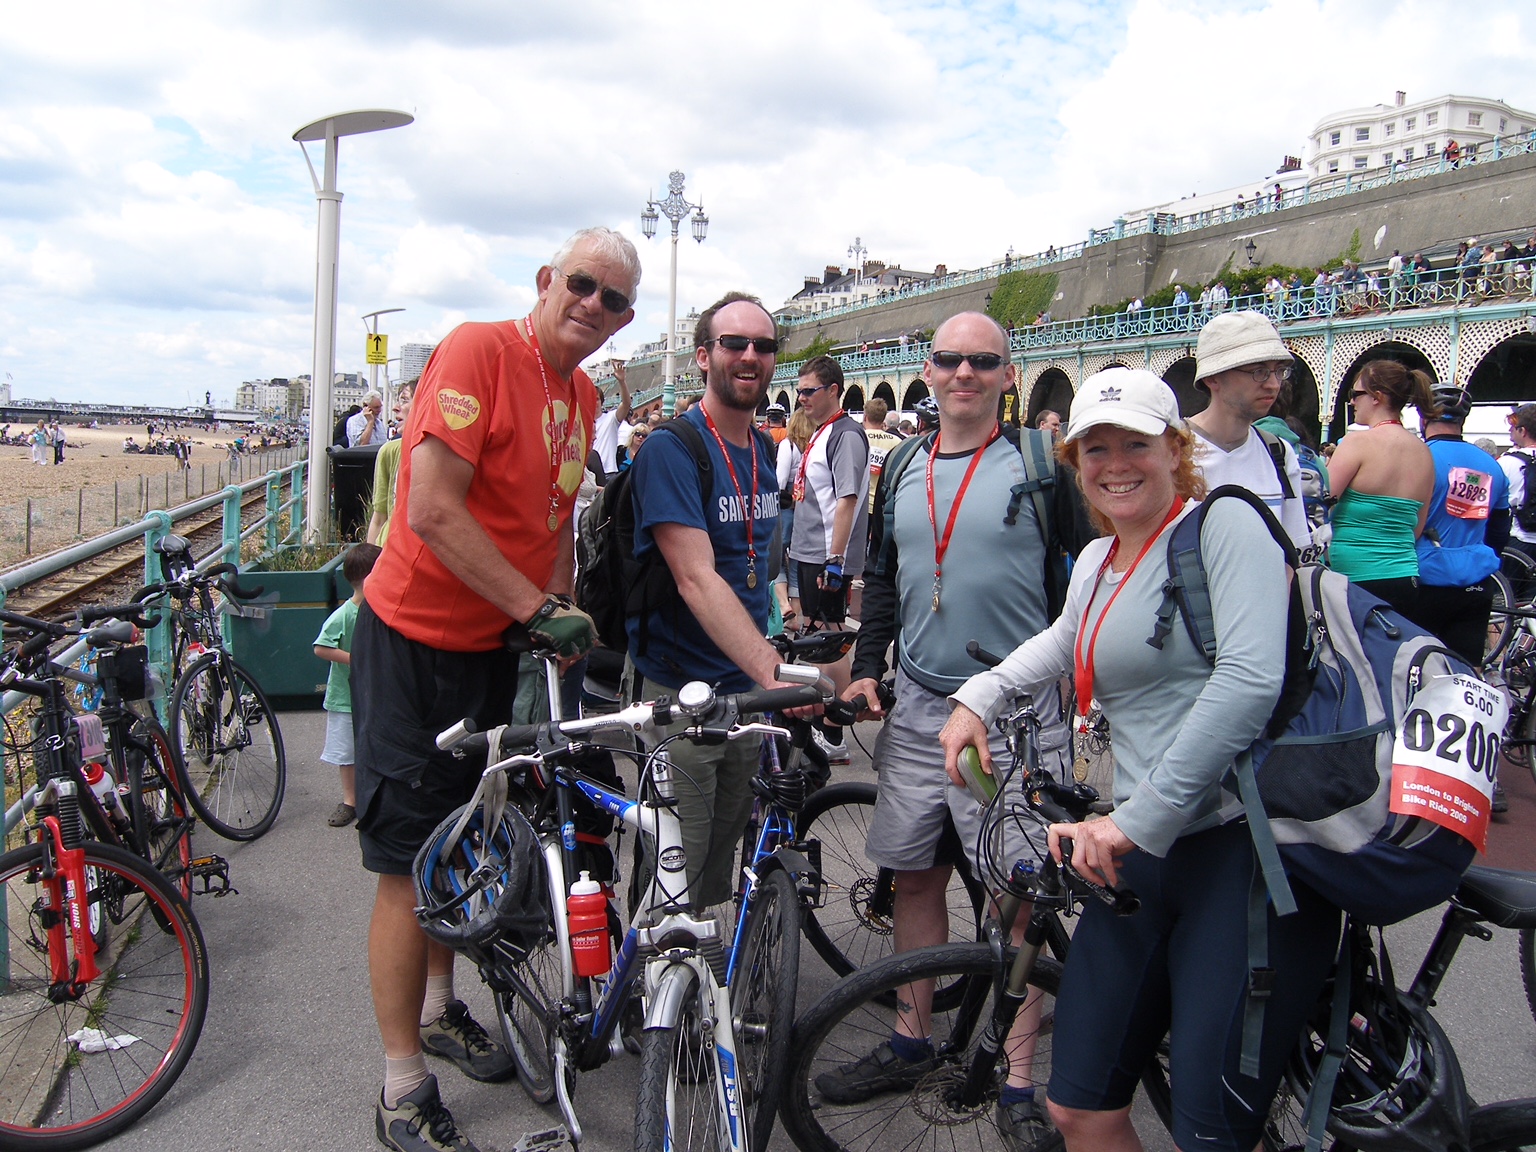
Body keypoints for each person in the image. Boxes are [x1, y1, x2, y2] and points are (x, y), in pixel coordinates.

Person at [940, 367, 1340, 1152]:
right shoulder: (1099, 559)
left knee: (1210, 1129)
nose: (1115, 464)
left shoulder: (1223, 527)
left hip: (1239, 853)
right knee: (1078, 1103)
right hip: (1137, 850)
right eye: (1096, 448)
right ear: (1075, 460)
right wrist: (975, 697)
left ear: (1175, 450)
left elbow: (1250, 679)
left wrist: (1136, 821)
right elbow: (1062, 642)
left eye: (1136, 445)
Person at [352, 225, 637, 1152]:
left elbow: (553, 520)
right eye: (585, 286)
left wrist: (550, 609)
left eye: (617, 302)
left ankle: (440, 1006)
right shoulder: (481, 348)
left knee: (465, 846)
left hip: (489, 647)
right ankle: (401, 1087)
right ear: (549, 279)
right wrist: (535, 606)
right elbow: (430, 507)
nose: (595, 308)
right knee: (405, 865)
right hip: (411, 641)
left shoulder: (583, 392)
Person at [826, 313, 1085, 1149]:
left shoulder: (1042, 468)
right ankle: (911, 1035)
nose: (963, 373)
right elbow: (888, 582)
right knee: (913, 876)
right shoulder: (901, 465)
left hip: (1013, 714)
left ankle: (1015, 1080)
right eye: (948, 360)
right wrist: (869, 665)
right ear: (926, 372)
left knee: (1017, 900)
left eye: (983, 361)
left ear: (1010, 376)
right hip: (920, 706)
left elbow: (1087, 583)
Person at [626, 290, 806, 910]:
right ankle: (652, 998)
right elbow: (697, 578)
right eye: (734, 343)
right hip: (684, 694)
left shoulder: (761, 452)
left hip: (744, 695)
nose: (750, 355)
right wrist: (776, 674)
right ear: (704, 356)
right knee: (676, 868)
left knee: (720, 860)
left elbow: (755, 566)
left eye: (763, 345)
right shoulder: (672, 449)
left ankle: (703, 993)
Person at [789, 353, 870, 757]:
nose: (801, 397)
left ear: (832, 390)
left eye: (809, 390)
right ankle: (824, 720)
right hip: (809, 551)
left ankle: (834, 732)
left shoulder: (846, 434)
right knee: (817, 633)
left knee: (831, 635)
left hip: (825, 554)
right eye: (799, 390)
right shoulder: (822, 432)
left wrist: (835, 561)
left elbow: (847, 499)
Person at [1188, 311, 1311, 550]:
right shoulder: (1173, 452)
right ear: (1213, 378)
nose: (1273, 384)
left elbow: (1294, 551)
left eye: (1279, 371)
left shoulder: (1279, 454)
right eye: (1259, 371)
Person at [1325, 360, 1437, 616]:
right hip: (1405, 577)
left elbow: (1319, 508)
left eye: (1356, 394)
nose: (1352, 402)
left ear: (1377, 396)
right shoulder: (1423, 453)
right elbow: (1416, 528)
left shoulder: (1357, 443)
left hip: (1353, 577)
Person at [313, 543, 382, 828]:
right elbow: (321, 647)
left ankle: (375, 796)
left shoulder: (381, 610)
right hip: (345, 696)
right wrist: (356, 659)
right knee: (346, 751)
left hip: (376, 693)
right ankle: (350, 800)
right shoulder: (345, 615)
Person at [366, 378, 419, 547]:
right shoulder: (390, 451)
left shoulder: (448, 457)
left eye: (404, 400)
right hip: (389, 553)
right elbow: (379, 517)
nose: (396, 407)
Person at [776, 406, 815, 626]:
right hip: (808, 508)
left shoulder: (788, 446)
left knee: (778, 558)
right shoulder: (815, 446)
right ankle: (795, 615)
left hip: (787, 508)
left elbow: (779, 480)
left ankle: (784, 605)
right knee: (798, 560)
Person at [1499, 404, 1536, 586]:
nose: (1509, 431)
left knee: (1512, 600)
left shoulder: (1507, 462)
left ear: (1523, 431)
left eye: (1512, 427)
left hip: (1519, 541)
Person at [590, 362, 631, 481]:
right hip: (588, 472)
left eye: (597, 399)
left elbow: (626, 404)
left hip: (608, 473)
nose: (595, 402)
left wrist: (622, 382)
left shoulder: (611, 419)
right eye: (592, 398)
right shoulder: (582, 422)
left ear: (602, 402)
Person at [862, 397, 903, 515]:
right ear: (883, 418)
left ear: (865, 417)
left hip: (861, 502)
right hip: (884, 502)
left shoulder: (859, 437)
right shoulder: (897, 441)